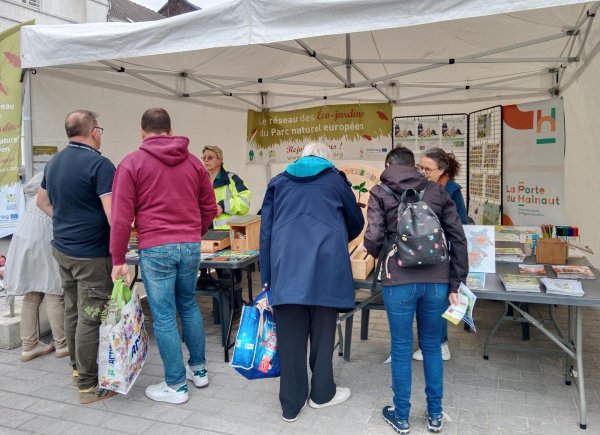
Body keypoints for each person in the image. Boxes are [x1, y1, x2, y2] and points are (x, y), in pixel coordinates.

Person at [111, 108, 218, 405]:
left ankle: (176, 385)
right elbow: (210, 207)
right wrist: (195, 231)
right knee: (189, 305)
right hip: (190, 244)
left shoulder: (131, 163)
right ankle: (199, 371)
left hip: (156, 246)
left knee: (165, 316)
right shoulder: (194, 163)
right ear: (170, 131)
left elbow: (121, 218)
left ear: (142, 131)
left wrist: (118, 259)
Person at [364, 147, 468, 434]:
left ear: (389, 164)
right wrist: (456, 281)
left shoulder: (380, 192)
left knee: (400, 347)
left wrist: (378, 251)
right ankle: (435, 415)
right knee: (431, 346)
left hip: (398, 280)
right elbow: (459, 238)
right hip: (437, 280)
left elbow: (373, 238)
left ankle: (401, 416)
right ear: (414, 166)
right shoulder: (436, 191)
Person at [260, 142, 364, 423]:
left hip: (286, 268)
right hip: (326, 267)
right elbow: (356, 221)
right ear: (326, 160)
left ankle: (291, 405)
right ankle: (321, 394)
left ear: (301, 158)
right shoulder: (336, 181)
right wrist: (336, 234)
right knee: (323, 333)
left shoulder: (278, 182)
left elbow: (266, 232)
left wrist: (267, 277)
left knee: (290, 338)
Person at [37, 110, 117, 404]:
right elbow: (113, 215)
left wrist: (66, 221)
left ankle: (76, 370)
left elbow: (41, 201)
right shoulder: (100, 164)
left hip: (63, 250)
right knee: (91, 317)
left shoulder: (55, 161)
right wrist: (121, 251)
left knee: (73, 310)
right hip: (91, 255)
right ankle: (88, 384)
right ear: (94, 131)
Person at [5, 172, 68, 362]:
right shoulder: (60, 183)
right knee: (53, 290)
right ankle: (62, 344)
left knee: (32, 294)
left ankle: (29, 346)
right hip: (44, 237)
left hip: (23, 237)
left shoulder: (36, 188)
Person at [413, 147, 469, 362]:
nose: (422, 172)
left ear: (442, 170)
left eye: (427, 169)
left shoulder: (452, 189)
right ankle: (431, 343)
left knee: (439, 299)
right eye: (420, 167)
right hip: (418, 252)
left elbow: (461, 225)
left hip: (441, 252)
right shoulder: (416, 185)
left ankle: (441, 344)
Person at [201, 145, 251, 230]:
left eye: (210, 157)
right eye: (204, 157)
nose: (206, 160)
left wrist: (223, 206)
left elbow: (245, 202)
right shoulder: (200, 182)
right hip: (204, 231)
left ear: (220, 160)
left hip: (229, 232)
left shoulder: (232, 179)